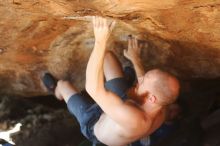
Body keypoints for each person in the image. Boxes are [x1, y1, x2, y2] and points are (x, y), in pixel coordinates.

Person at [42, 16, 180, 146]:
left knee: (64, 85)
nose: (141, 78)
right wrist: (135, 60)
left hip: (94, 122)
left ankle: (55, 91)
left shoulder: (134, 119)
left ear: (152, 99)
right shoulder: (162, 107)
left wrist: (100, 41)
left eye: (143, 81)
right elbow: (153, 88)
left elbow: (93, 88)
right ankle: (116, 88)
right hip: (121, 105)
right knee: (107, 56)